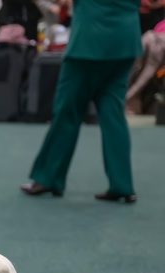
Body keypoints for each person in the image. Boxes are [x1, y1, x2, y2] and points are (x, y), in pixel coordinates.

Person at [21, 0, 142, 204]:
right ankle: (122, 185)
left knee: (67, 112)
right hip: (124, 42)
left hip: (88, 44)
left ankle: (48, 178)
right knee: (113, 115)